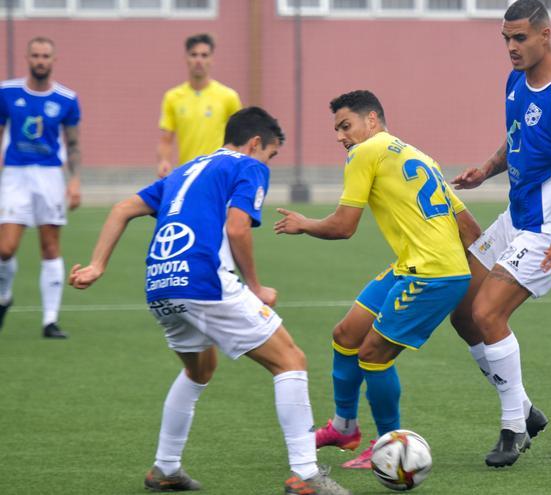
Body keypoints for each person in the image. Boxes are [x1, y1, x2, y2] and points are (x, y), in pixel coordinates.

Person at [69, 107, 350, 495]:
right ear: (255, 144)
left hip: (160, 282)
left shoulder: (184, 170)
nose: (269, 163)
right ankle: (306, 476)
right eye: (271, 154)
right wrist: (255, 286)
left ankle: (166, 468)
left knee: (199, 369)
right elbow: (237, 228)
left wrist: (98, 264)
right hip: (203, 280)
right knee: (290, 360)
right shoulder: (248, 166)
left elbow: (122, 209)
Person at [273, 90, 474, 469]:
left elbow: (344, 226)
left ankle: (389, 446)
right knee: (346, 334)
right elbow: (470, 228)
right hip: (416, 265)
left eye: (345, 126)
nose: (340, 137)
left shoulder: (364, 152)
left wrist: (304, 224)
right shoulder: (417, 155)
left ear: (372, 120)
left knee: (373, 354)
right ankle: (344, 427)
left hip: (432, 274)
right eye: (336, 129)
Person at [450, 0, 551, 468]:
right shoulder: (516, 80)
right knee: (460, 309)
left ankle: (512, 429)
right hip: (515, 218)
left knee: (487, 312)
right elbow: (518, 135)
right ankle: (525, 409)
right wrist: (487, 168)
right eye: (506, 38)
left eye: (520, 38)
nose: (511, 47)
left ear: (545, 35)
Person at [0, 36, 82, 339]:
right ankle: (4, 295)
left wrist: (74, 180)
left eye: (46, 55)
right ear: (27, 57)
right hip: (15, 175)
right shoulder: (7, 93)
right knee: (5, 248)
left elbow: (73, 144)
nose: (40, 60)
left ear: (53, 60)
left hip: (49, 176)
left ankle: (50, 320)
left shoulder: (67, 99)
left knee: (50, 246)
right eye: (35, 55)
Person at [156, 33, 242, 178]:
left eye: (204, 55)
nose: (199, 60)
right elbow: (166, 140)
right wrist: (164, 161)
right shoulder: (173, 97)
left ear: (211, 59)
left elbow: (240, 138)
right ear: (186, 59)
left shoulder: (228, 97)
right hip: (187, 175)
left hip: (218, 176)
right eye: (194, 55)